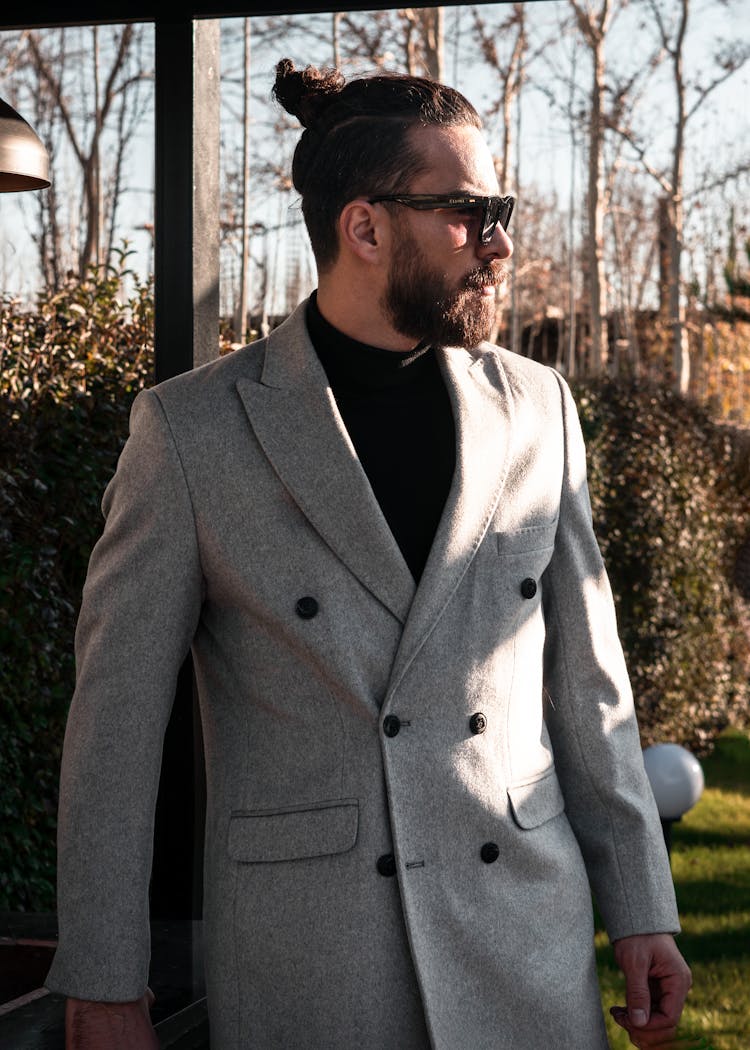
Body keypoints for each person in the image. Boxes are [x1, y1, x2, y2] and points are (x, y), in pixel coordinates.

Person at [46, 58, 691, 1050]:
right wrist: (102, 974)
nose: (503, 244)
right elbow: (118, 724)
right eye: (472, 213)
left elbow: (590, 685)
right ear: (366, 226)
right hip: (314, 954)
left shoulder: (539, 409)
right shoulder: (192, 431)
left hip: (524, 932)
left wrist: (643, 902)